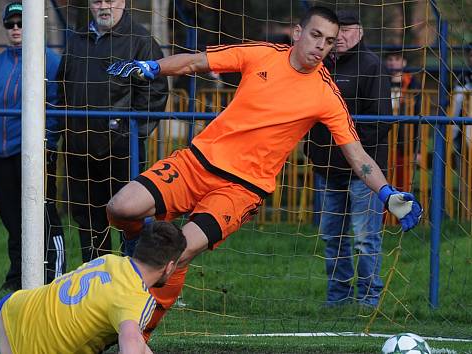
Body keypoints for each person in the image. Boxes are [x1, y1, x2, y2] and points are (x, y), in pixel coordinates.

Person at [105, 6, 422, 339]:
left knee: (179, 251)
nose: (321, 46)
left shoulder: (327, 94)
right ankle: (135, 237)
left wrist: (386, 193)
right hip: (196, 162)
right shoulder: (261, 54)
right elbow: (196, 61)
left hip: (241, 189)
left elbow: (357, 155)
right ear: (298, 33)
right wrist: (152, 66)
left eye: (329, 41)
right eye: (316, 36)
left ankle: (139, 336)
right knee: (120, 208)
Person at [56, 0, 169, 262]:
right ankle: (95, 279)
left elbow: (156, 91)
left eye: (111, 0)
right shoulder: (76, 40)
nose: (104, 6)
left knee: (129, 218)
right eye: (98, 1)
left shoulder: (141, 39)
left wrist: (132, 133)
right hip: (79, 148)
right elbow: (61, 88)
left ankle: (131, 280)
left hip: (121, 150)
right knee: (87, 219)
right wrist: (66, 129)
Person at [0, 221, 186, 354]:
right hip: (15, 347)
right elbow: (131, 342)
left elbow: (138, 343)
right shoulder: (137, 298)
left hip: (9, 309)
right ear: (169, 266)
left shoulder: (110, 261)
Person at [303, 10, 392, 307]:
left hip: (363, 171)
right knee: (332, 238)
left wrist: (349, 148)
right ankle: (337, 299)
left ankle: (369, 299)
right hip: (327, 168)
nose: (340, 37)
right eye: (335, 31)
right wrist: (312, 148)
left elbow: (380, 122)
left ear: (361, 32)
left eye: (347, 30)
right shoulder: (319, 65)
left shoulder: (372, 66)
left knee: (365, 239)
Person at [0, 2, 65, 290]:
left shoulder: (50, 61)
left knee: (43, 212)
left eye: (21, 23)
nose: (16, 28)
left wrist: (47, 144)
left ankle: (54, 274)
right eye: (10, 24)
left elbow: (55, 105)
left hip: (32, 152)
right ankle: (18, 275)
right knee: (11, 218)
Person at [385, 51, 422, 190]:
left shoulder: (413, 83)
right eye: (390, 59)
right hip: (384, 141)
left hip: (404, 143)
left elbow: (418, 116)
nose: (393, 62)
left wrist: (416, 150)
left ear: (404, 62)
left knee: (402, 183)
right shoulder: (380, 81)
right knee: (382, 182)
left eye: (397, 59)